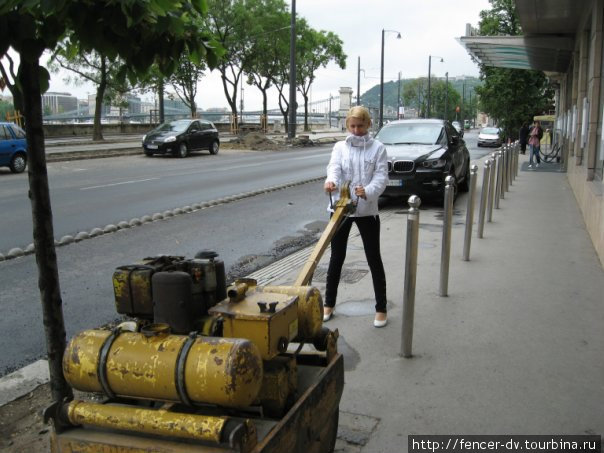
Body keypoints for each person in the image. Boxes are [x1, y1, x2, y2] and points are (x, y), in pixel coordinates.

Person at [323, 106, 389, 328]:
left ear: (369, 124)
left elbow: (381, 177)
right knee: (336, 257)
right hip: (341, 208)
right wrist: (330, 181)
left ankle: (381, 308)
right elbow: (334, 168)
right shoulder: (340, 147)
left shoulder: (378, 148)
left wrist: (368, 191)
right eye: (352, 126)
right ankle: (328, 303)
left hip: (367, 210)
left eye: (360, 125)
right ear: (347, 125)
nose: (356, 130)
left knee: (373, 258)